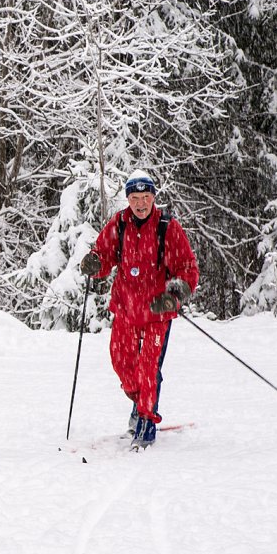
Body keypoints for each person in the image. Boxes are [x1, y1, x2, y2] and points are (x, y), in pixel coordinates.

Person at [80, 171, 199, 447]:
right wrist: (94, 263)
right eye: (135, 198)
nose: (141, 204)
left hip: (157, 310)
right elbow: (104, 253)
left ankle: (146, 422)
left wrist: (175, 294)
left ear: (154, 197)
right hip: (126, 307)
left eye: (146, 197)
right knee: (122, 363)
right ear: (128, 199)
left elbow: (188, 268)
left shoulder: (167, 227)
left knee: (148, 367)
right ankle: (139, 401)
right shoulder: (119, 224)